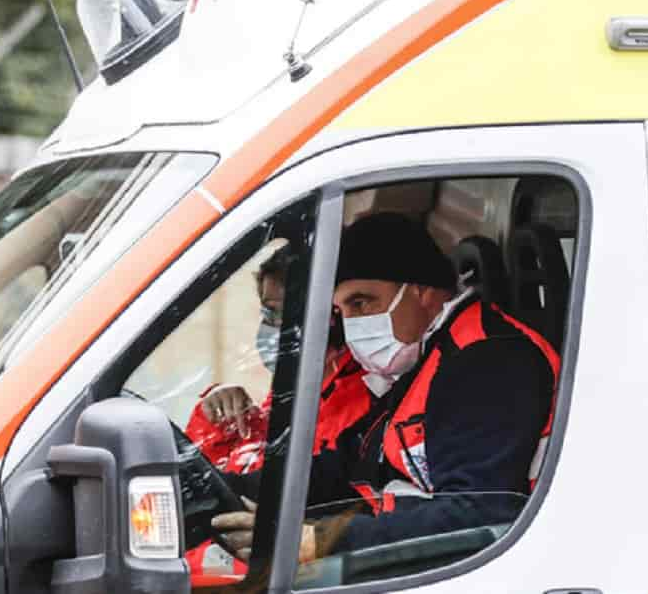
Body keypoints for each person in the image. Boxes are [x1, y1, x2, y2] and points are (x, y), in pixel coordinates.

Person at [213, 212, 560, 562]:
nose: (351, 324)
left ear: (421, 291)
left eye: (362, 303)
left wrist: (321, 540)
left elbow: (477, 516)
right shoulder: (425, 357)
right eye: (341, 310)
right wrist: (226, 490)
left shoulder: (488, 361)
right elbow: (348, 465)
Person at [183, 245, 372, 578]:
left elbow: (286, 481)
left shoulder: (356, 398)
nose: (267, 326)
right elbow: (257, 453)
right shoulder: (302, 379)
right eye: (265, 313)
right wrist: (216, 412)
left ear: (321, 317)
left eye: (275, 313)